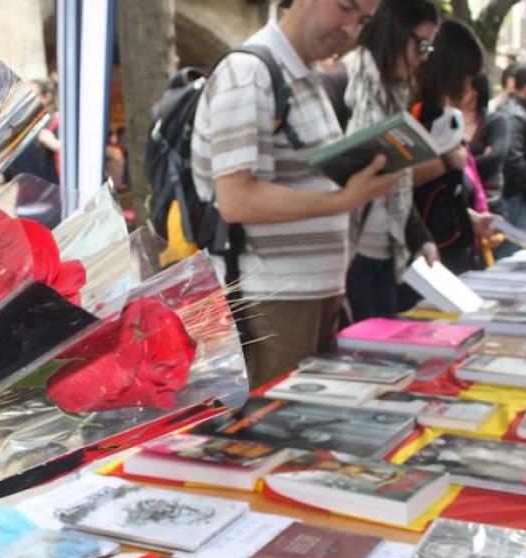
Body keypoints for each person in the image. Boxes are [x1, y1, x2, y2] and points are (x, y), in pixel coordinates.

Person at [190, 0, 404, 388]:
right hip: (271, 299)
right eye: (345, 8)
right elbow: (236, 200)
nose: (351, 29)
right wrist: (343, 200)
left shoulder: (305, 75)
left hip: (305, 295)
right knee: (273, 420)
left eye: (363, 20)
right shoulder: (248, 72)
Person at [342, 0, 440, 322]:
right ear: (396, 32)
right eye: (421, 45)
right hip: (348, 257)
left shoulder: (396, 95)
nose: (423, 57)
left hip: (386, 254)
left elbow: (396, 180)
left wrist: (420, 238)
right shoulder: (344, 83)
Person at [409, 19, 497, 278]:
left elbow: (443, 193)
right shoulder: (416, 112)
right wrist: (446, 162)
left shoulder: (442, 114)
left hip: (451, 248)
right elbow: (398, 182)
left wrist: (470, 218)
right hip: (426, 256)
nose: (468, 90)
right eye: (466, 79)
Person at [497, 62, 526, 255]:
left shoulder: (518, 112)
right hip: (517, 196)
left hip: (518, 194)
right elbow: (513, 162)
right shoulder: (515, 116)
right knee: (513, 252)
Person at [462, 72, 509, 214]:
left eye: (463, 89)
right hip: (459, 197)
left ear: (474, 94)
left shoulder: (496, 121)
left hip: (489, 202)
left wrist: (459, 161)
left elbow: (495, 158)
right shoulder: (448, 119)